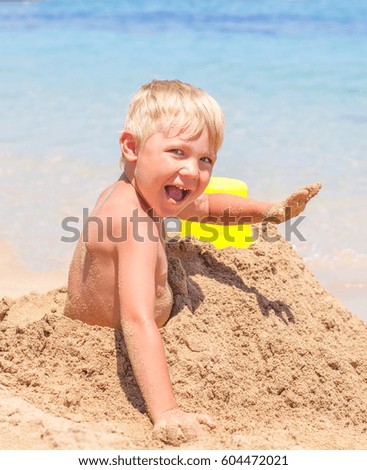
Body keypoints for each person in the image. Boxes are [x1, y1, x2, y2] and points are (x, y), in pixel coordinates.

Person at [64, 79, 321, 443]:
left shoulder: (137, 191)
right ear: (131, 147)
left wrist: (269, 211)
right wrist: (167, 412)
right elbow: (136, 320)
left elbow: (204, 207)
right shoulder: (133, 225)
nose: (193, 171)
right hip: (111, 340)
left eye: (205, 160)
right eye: (177, 152)